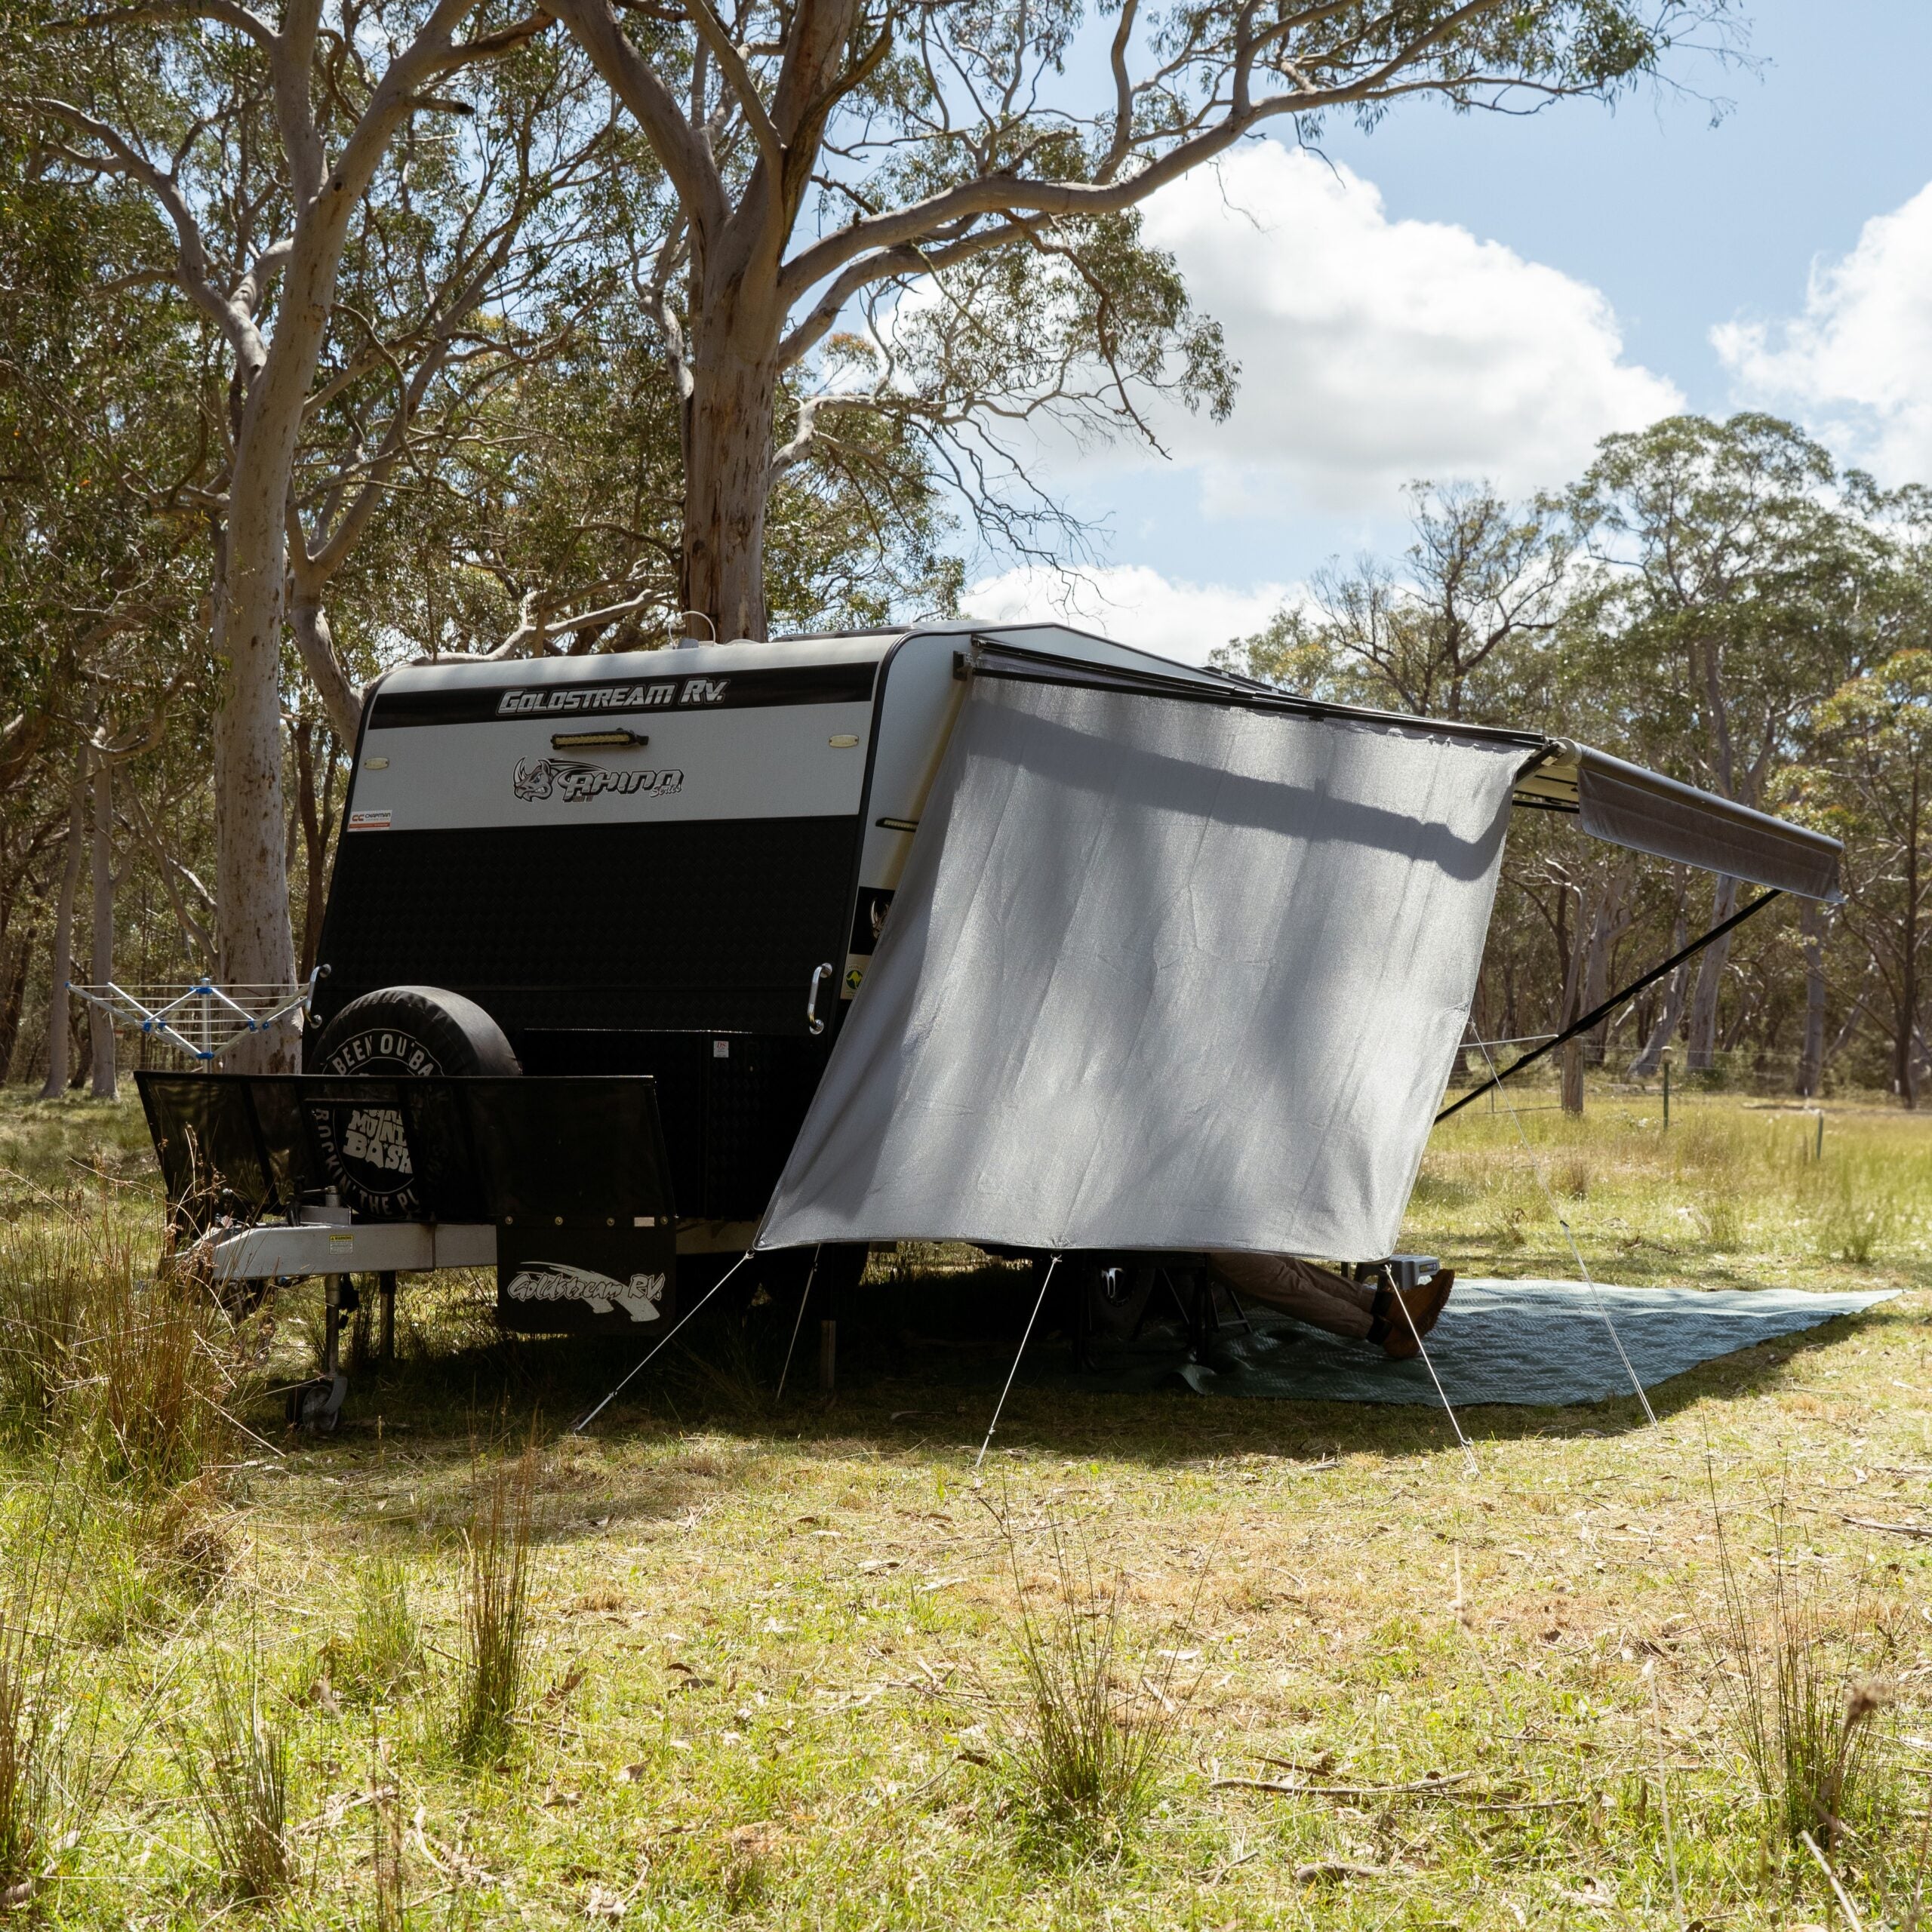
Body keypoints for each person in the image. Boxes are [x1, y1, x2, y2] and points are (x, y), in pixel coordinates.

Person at [1207, 1253, 1455, 1361]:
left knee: (1288, 1266)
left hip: (1201, 1237)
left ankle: (1391, 1307)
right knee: (1286, 1284)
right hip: (1190, 1248)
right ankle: (1387, 1332)